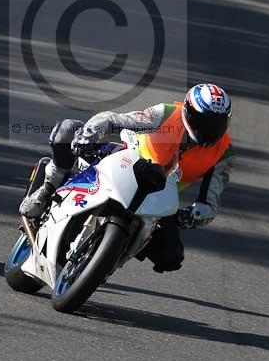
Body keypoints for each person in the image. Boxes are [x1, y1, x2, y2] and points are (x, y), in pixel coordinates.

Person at [19, 83, 233, 273]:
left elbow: (210, 203)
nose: (209, 129)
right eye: (203, 121)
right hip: (126, 161)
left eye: (216, 124)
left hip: (160, 196)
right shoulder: (168, 114)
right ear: (188, 111)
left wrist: (191, 215)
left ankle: (109, 259)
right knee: (67, 131)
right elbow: (113, 120)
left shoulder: (223, 153)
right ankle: (46, 191)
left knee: (171, 256)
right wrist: (89, 135)